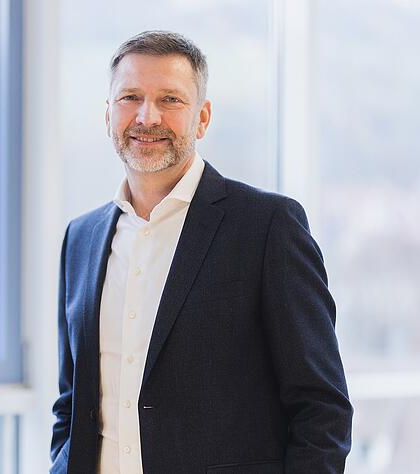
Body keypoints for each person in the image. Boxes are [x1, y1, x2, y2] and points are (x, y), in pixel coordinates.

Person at [51, 30, 352, 473]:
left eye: (170, 100)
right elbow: (71, 402)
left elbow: (322, 408)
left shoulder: (267, 226)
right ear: (108, 113)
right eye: (130, 97)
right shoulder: (82, 237)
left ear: (203, 117)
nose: (147, 116)